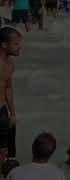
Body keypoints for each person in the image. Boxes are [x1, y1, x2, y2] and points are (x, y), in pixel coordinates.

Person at [0, 27, 22, 159]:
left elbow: (8, 87)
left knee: (7, 153)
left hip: (3, 112)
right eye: (16, 44)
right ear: (4, 44)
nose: (19, 47)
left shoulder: (11, 62)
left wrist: (12, 113)